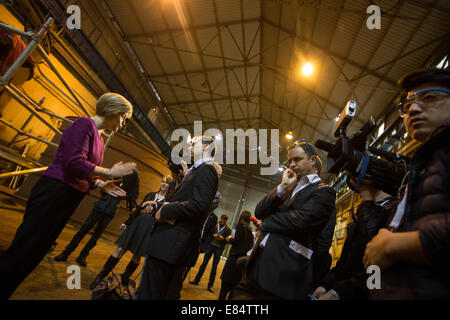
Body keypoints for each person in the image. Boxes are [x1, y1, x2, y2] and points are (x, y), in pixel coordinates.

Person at [314, 68, 450, 300]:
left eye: (429, 98)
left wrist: (395, 244)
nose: (413, 109)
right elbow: (384, 261)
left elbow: (391, 247)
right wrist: (338, 291)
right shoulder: (419, 174)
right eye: (407, 106)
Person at [0, 92, 136, 299]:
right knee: (24, 249)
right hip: (54, 192)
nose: (123, 123)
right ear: (114, 110)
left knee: (35, 252)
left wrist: (100, 184)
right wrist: (109, 172)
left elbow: (85, 171)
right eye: (124, 117)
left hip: (67, 197)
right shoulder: (84, 125)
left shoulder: (99, 138)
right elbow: (73, 163)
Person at [230, 139, 336, 300]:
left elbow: (301, 221)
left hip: (283, 273)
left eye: (297, 159)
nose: (292, 164)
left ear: (313, 160)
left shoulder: (324, 192)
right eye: (290, 161)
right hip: (257, 264)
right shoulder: (289, 186)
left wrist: (266, 223)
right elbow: (259, 211)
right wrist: (281, 188)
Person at [137, 135, 219, 300]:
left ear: (205, 147)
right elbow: (181, 202)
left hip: (171, 244)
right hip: (166, 243)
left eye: (193, 144)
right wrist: (157, 206)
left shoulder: (207, 169)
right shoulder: (196, 170)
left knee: (150, 294)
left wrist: (165, 212)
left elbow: (199, 205)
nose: (188, 147)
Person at [89, 175, 174, 289]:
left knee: (136, 255)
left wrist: (153, 206)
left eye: (166, 183)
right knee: (120, 249)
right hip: (137, 224)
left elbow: (163, 215)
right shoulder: (150, 194)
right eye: (163, 182)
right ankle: (100, 276)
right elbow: (138, 210)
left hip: (148, 229)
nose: (164, 184)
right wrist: (127, 223)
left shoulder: (167, 201)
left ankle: (125, 278)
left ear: (169, 186)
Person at [53, 170, 140, 267]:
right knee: (82, 231)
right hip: (99, 207)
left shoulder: (130, 187)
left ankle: (82, 256)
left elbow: (132, 198)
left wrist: (127, 190)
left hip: (110, 212)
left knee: (96, 236)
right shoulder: (115, 179)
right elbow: (102, 191)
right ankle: (66, 253)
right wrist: (110, 185)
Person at [189, 214, 231, 292]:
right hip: (211, 246)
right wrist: (213, 236)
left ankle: (210, 285)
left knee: (214, 267)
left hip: (219, 248)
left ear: (226, 221)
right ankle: (196, 280)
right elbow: (210, 233)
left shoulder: (228, 229)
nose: (222, 221)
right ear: (220, 218)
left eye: (224, 220)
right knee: (204, 263)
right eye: (222, 219)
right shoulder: (215, 224)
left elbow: (227, 241)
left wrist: (223, 239)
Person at [219, 210, 254, 300]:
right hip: (241, 262)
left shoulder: (239, 226)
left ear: (241, 217)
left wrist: (229, 239)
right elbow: (250, 245)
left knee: (224, 289)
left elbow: (236, 241)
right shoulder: (250, 230)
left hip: (233, 260)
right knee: (233, 291)